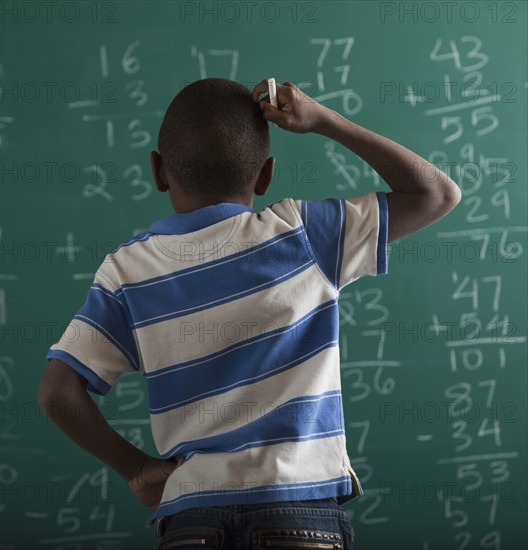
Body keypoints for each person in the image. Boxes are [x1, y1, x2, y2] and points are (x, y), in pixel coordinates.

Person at [38, 78, 461, 549]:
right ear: (265, 175)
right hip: (300, 518)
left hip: (191, 521)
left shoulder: (127, 272)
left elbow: (58, 393)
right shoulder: (303, 235)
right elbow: (437, 194)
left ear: (158, 172)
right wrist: (324, 120)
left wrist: (137, 469)